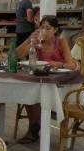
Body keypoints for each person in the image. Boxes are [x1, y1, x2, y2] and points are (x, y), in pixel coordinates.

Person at [14, 15, 78, 144]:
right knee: (28, 90)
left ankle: (35, 127)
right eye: (42, 28)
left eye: (48, 28)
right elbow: (17, 55)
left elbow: (71, 65)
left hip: (59, 83)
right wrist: (29, 40)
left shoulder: (61, 42)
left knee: (34, 92)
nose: (44, 31)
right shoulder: (38, 42)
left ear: (55, 30)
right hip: (41, 80)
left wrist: (58, 64)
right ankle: (34, 126)